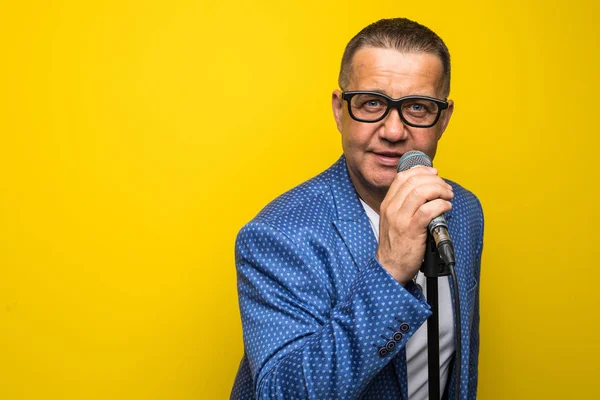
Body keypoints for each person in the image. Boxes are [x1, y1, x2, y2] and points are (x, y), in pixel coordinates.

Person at [231, 18, 483, 400]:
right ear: (339, 109)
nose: (394, 131)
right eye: (372, 103)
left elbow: (456, 365)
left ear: (443, 118)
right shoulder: (276, 236)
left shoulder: (463, 210)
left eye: (417, 107)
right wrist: (389, 271)